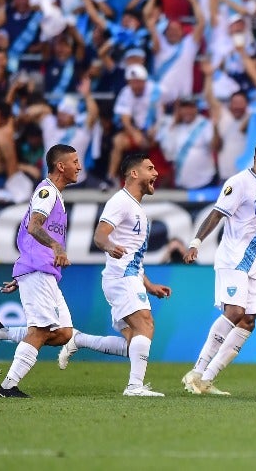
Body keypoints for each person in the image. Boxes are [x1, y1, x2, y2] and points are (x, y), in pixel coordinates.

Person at [181, 140, 256, 395]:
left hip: (254, 265)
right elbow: (217, 214)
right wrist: (196, 242)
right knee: (235, 311)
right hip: (233, 258)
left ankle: (206, 379)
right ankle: (196, 372)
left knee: (248, 321)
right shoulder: (239, 182)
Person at [70, 154, 172, 396]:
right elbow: (100, 235)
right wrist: (108, 247)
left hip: (130, 276)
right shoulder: (121, 202)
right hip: (120, 277)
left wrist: (149, 285)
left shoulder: (137, 209)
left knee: (133, 343)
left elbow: (134, 257)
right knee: (146, 324)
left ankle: (79, 340)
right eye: (150, 168)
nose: (156, 173)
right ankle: (134, 387)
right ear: (134, 173)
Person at [0, 145, 80, 399]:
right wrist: (55, 245)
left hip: (43, 271)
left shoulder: (57, 195)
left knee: (64, 332)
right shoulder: (46, 191)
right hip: (38, 270)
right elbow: (33, 226)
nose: (79, 166)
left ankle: (0, 333)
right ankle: (8, 386)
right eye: (74, 161)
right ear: (60, 166)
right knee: (41, 330)